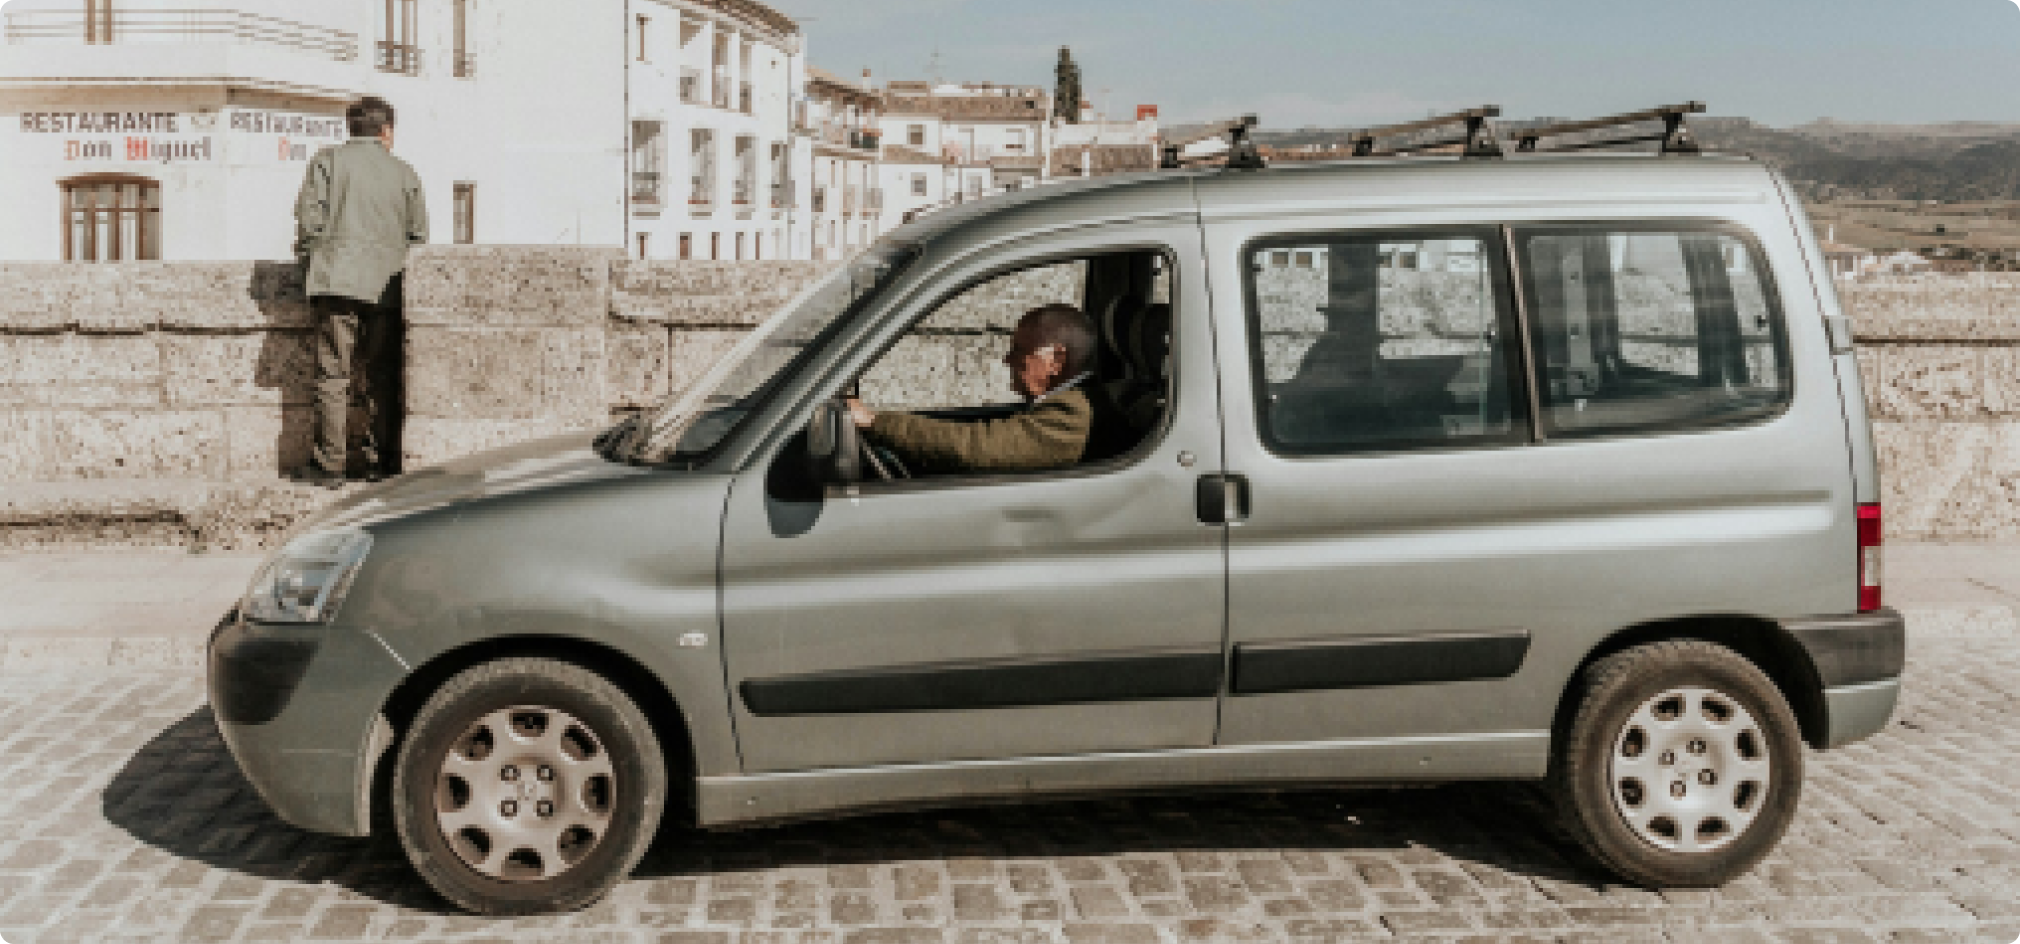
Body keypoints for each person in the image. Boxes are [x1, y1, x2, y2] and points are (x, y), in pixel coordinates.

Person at [291, 95, 428, 488]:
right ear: (387, 131)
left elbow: (308, 222)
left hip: (334, 282)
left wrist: (312, 263)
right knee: (383, 375)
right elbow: (419, 235)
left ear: (350, 128)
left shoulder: (327, 162)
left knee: (332, 374)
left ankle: (329, 465)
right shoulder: (404, 172)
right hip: (387, 285)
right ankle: (383, 461)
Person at [845, 304, 1130, 475]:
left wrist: (876, 422)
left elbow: (977, 446)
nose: (1008, 360)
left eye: (1020, 352)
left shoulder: (1075, 414)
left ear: (1056, 360)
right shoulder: (1076, 402)